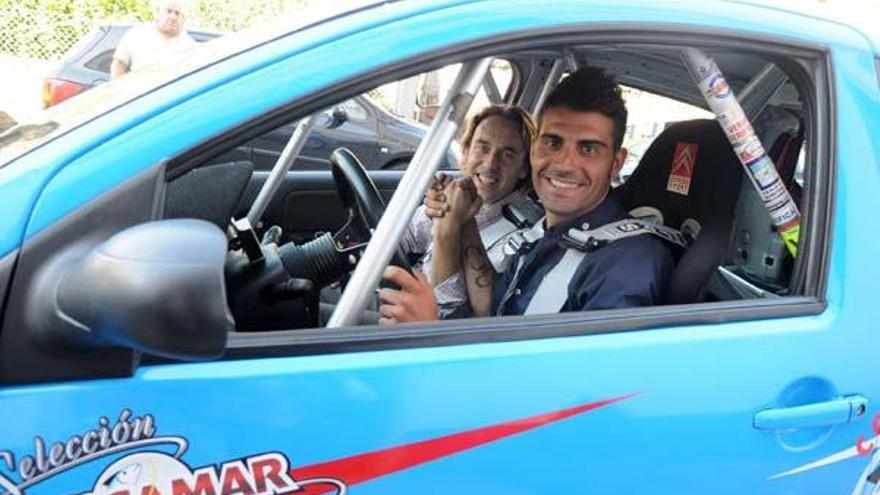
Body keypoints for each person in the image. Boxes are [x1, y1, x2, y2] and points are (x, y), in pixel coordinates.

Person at [379, 66, 674, 323]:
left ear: (616, 163)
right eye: (553, 142)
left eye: (588, 148)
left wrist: (429, 334)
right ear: (534, 150)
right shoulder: (544, 230)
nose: (564, 164)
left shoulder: (626, 263)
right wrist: (465, 221)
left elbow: (587, 385)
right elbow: (490, 310)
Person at [398, 104, 539, 318]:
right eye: (482, 147)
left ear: (524, 168)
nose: (491, 163)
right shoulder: (455, 193)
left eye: (507, 154)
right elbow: (402, 239)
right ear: (465, 152)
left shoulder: (523, 233)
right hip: (401, 300)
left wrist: (454, 224)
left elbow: (450, 316)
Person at [111, 0, 196, 78]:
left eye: (177, 13)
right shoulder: (137, 34)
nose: (173, 17)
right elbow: (119, 64)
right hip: (140, 92)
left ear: (183, 18)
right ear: (158, 13)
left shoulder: (190, 46)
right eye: (168, 11)